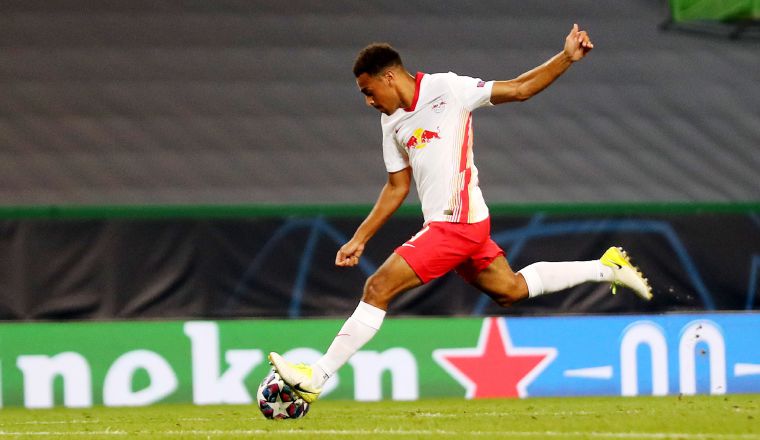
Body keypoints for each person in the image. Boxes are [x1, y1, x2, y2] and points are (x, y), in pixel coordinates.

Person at [269, 24, 651, 403]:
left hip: (457, 222)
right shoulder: (391, 123)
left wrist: (567, 56)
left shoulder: (447, 89)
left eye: (369, 92)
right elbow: (397, 187)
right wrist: (359, 238)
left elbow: (519, 88)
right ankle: (606, 267)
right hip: (458, 225)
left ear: (389, 77)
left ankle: (315, 377)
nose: (368, 101)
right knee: (510, 289)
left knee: (377, 288)